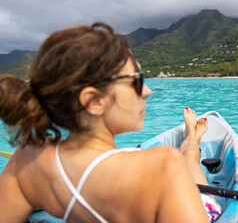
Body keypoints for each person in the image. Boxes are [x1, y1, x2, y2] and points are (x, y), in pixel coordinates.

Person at [0, 22, 221, 222]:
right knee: (190, 158)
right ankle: (192, 137)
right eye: (136, 80)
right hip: (194, 202)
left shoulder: (28, 159)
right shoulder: (164, 166)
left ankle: (192, 135)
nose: (147, 91)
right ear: (94, 101)